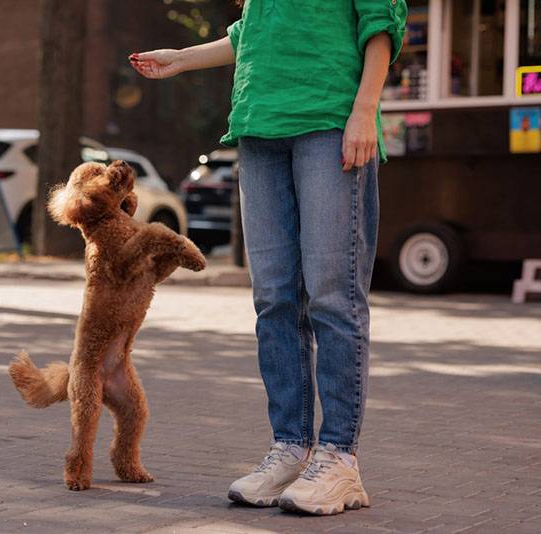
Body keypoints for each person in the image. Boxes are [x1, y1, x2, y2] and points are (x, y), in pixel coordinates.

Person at [130, 0, 407, 516]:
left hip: (329, 122)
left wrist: (365, 110)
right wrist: (183, 58)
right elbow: (257, 32)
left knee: (333, 296)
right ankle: (292, 448)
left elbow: (381, 22)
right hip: (259, 129)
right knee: (274, 299)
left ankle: (340, 458)